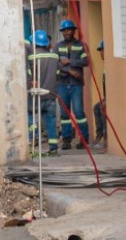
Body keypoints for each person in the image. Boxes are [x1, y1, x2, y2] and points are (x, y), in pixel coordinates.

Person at [54, 18, 90, 150]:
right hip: (62, 84)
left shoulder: (81, 45)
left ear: (74, 31)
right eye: (65, 30)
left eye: (69, 30)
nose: (67, 32)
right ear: (62, 32)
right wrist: (70, 71)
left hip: (76, 85)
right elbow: (55, 63)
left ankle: (84, 138)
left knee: (79, 112)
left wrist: (70, 61)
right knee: (64, 114)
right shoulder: (58, 46)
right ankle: (67, 139)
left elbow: (85, 61)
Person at [27, 29, 60, 155]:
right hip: (50, 94)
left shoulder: (31, 57)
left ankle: (33, 142)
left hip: (35, 95)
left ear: (34, 43)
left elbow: (30, 77)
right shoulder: (54, 57)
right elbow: (57, 74)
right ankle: (53, 146)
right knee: (51, 121)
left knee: (32, 119)